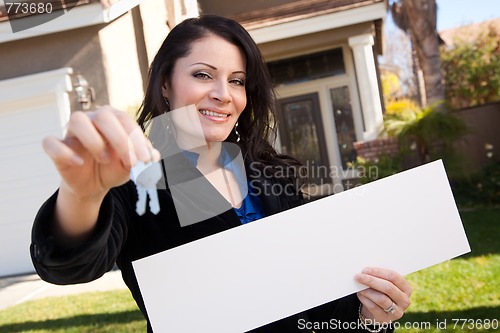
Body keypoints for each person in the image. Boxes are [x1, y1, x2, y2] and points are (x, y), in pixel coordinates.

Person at [31, 15, 412, 332]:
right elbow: (67, 264)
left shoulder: (269, 171)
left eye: (236, 80)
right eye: (202, 75)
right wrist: (82, 194)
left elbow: (315, 293)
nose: (223, 93)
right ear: (165, 83)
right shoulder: (135, 179)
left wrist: (370, 318)